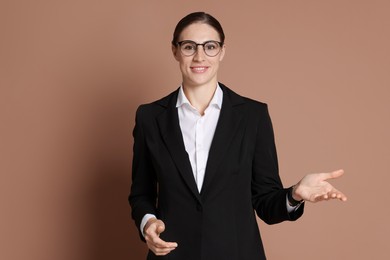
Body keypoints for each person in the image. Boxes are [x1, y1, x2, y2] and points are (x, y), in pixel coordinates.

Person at [129, 12, 347, 260]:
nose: (200, 56)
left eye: (210, 46)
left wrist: (295, 193)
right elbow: (141, 194)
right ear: (175, 51)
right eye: (189, 46)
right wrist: (148, 224)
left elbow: (266, 202)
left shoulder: (253, 116)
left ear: (222, 51)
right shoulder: (149, 117)